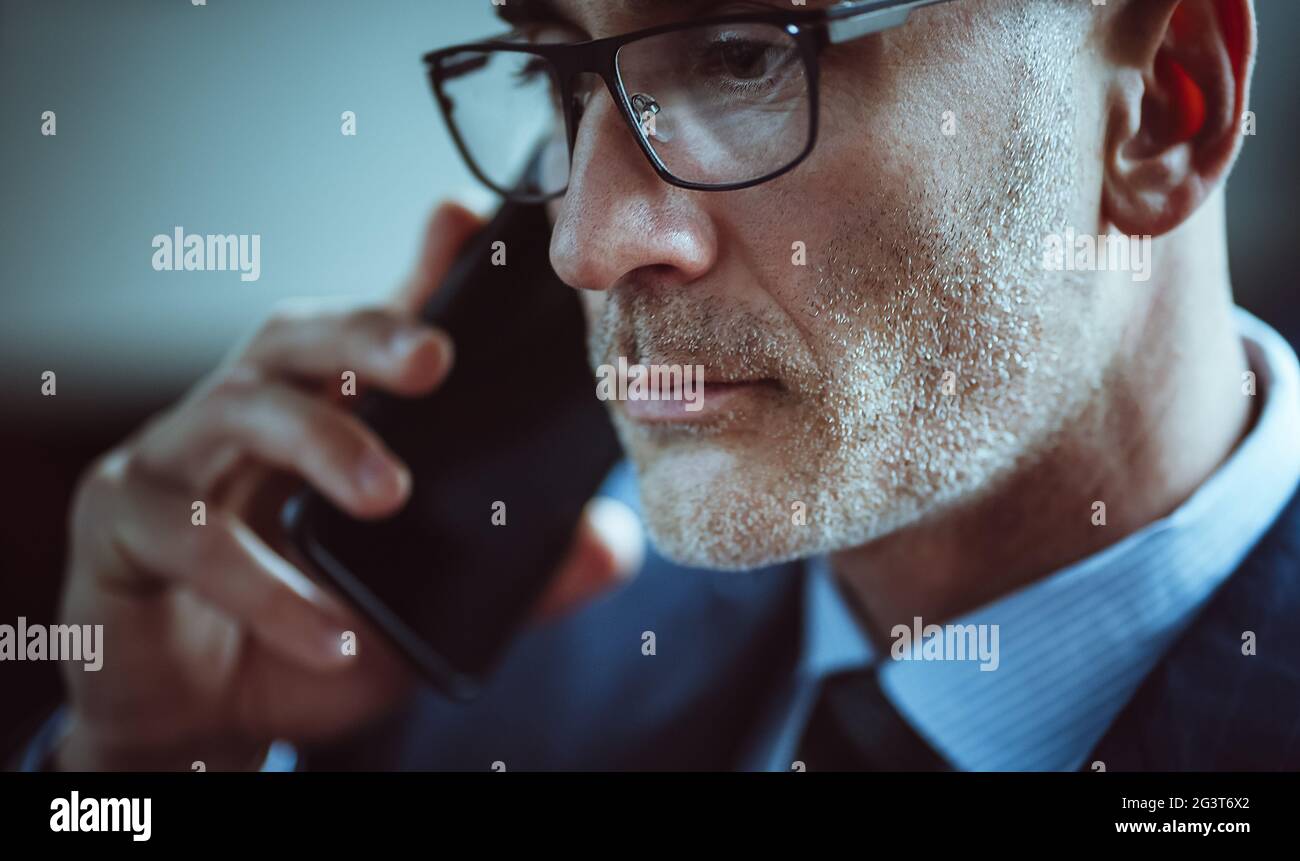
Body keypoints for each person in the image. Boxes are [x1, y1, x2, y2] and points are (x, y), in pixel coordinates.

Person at [30, 0, 1300, 771]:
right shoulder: (490, 697)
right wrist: (146, 772)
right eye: (562, 81)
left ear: (1164, 113)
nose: (581, 244)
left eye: (746, 57)